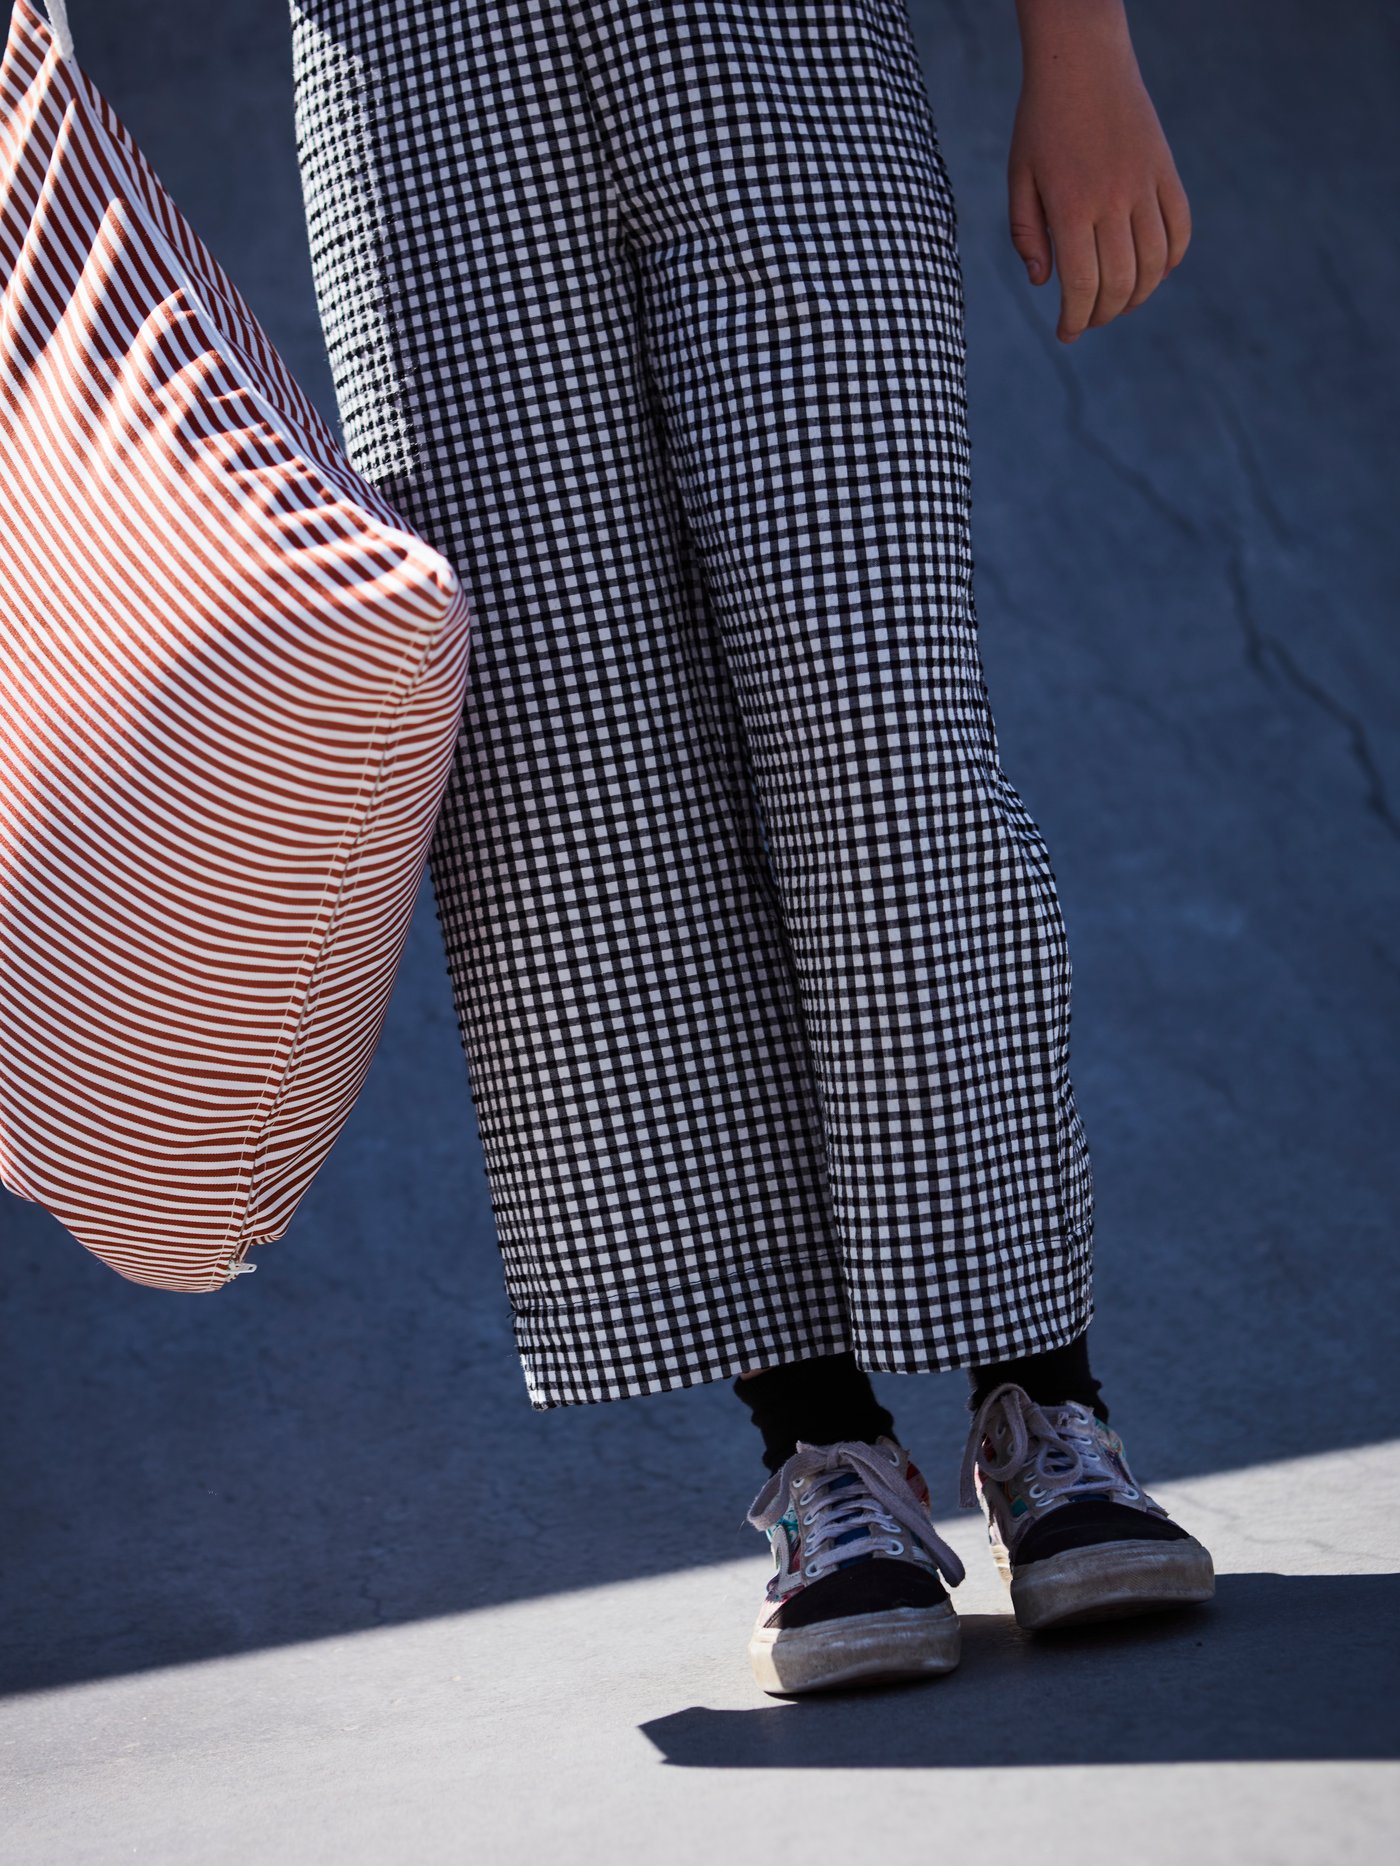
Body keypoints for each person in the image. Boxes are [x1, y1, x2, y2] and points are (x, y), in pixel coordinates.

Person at [288, 0, 1214, 1696]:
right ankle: (825, 1454)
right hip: (409, 68)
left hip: (770, 41)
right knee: (572, 786)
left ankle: (1045, 1401)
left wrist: (1081, 45)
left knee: (876, 713)